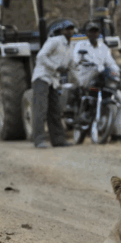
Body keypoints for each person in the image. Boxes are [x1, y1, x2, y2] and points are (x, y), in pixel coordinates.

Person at [72, 21, 121, 141]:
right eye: (91, 31)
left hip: (102, 79)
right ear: (87, 33)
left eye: (95, 31)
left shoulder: (104, 48)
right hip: (87, 76)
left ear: (98, 33)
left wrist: (119, 71)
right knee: (95, 75)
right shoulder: (81, 45)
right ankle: (86, 113)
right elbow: (76, 60)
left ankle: (118, 132)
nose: (93, 34)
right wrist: (84, 61)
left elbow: (111, 63)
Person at [31, 20, 76, 148]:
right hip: (42, 77)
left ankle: (58, 140)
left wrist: (80, 81)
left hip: (54, 80)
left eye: (71, 28)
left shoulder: (70, 46)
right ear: (61, 31)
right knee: (40, 109)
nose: (70, 31)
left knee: (55, 110)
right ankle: (39, 140)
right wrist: (55, 67)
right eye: (67, 29)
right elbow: (41, 56)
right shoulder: (55, 41)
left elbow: (72, 66)